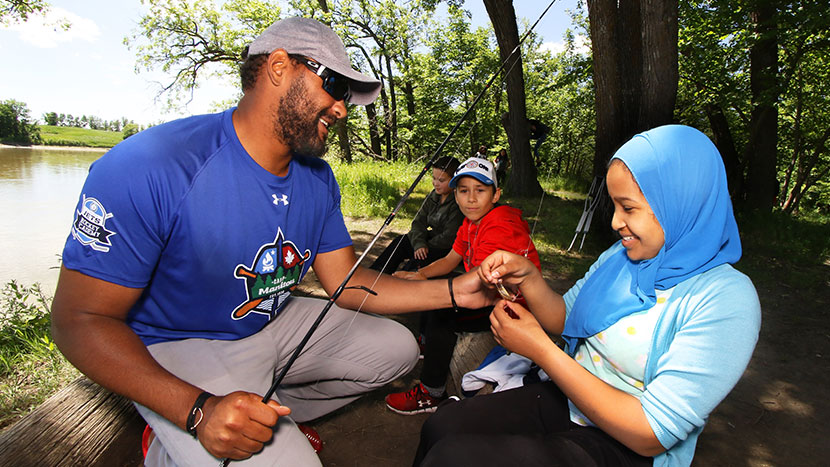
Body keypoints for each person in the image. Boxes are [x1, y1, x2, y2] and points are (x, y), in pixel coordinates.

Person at [50, 17, 489, 467]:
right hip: (180, 343)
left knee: (398, 350)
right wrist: (196, 410)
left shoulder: (318, 179)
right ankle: (183, 436)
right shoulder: (150, 164)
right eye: (335, 86)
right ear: (279, 66)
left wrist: (458, 289)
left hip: (273, 321)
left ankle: (271, 419)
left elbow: (347, 283)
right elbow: (77, 321)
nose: (342, 109)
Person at [413, 125, 761, 466]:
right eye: (614, 206)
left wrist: (542, 351)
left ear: (680, 203)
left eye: (628, 208)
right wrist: (530, 278)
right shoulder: (620, 257)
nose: (615, 222)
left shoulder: (724, 298)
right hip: (568, 401)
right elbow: (566, 318)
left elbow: (651, 433)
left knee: (454, 458)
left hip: (626, 443)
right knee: (443, 424)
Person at [384, 157, 541, 415]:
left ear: (496, 195)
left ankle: (431, 392)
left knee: (442, 309)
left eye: (480, 190)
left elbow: (479, 286)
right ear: (455, 195)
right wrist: (420, 275)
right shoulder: (470, 223)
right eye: (464, 191)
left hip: (511, 308)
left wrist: (422, 291)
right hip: (489, 296)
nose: (471, 199)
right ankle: (429, 346)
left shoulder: (499, 225)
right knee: (436, 287)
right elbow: (450, 260)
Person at [370, 156, 464, 274]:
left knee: (418, 259)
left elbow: (449, 237)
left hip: (445, 248)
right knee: (401, 241)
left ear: (454, 180)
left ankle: (401, 280)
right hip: (429, 241)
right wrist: (419, 243)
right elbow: (418, 221)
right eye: (434, 178)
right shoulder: (433, 196)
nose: (436, 183)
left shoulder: (458, 203)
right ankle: (375, 273)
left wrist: (425, 246)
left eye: (441, 180)